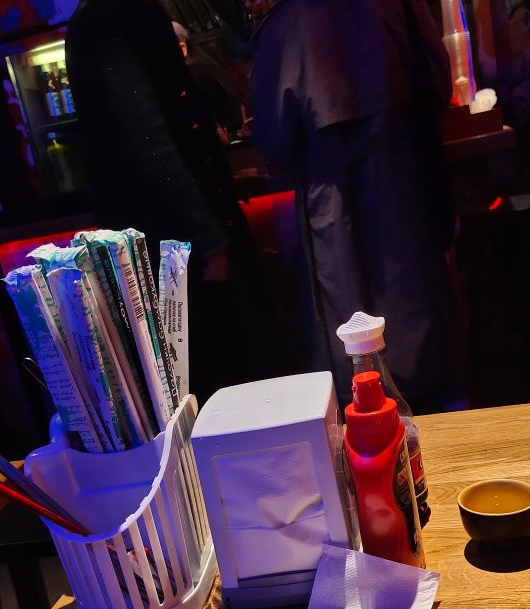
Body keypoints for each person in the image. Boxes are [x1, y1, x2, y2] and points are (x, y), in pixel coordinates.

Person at [250, 0, 463, 412]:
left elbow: (274, 139)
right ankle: (433, 410)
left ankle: (367, 418)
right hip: (400, 172)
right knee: (415, 302)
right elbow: (437, 85)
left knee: (345, 314)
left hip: (329, 192)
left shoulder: (284, 19)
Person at [65, 0, 274, 405]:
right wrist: (209, 239)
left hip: (163, 243)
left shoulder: (98, 19)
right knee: (220, 379)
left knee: (198, 383)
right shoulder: (113, 17)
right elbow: (148, 140)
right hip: (174, 247)